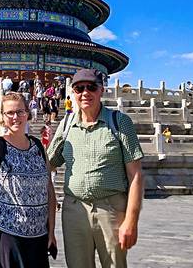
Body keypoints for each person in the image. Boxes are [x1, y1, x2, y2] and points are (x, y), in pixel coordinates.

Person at [48, 69, 144, 268]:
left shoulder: (119, 122)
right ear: (72, 93)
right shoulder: (66, 125)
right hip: (74, 210)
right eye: (79, 88)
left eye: (91, 87)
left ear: (101, 90)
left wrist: (131, 221)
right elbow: (46, 164)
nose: (85, 93)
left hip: (111, 209)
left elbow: (136, 175)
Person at [0, 92, 56, 267]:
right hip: (6, 235)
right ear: (2, 117)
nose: (15, 117)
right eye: (9, 113)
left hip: (38, 236)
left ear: (28, 113)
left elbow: (49, 190)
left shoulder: (39, 147)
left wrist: (51, 231)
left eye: (20, 112)